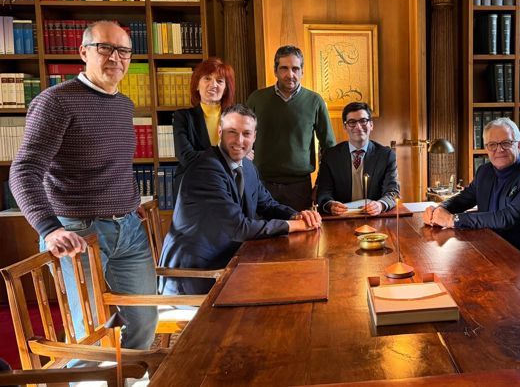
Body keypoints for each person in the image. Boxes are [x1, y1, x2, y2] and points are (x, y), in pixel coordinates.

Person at [9, 20, 157, 350]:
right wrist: (49, 229)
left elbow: (118, 164)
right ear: (83, 52)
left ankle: (130, 376)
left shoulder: (124, 104)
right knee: (90, 334)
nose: (115, 57)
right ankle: (86, 376)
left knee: (145, 321)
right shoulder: (55, 102)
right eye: (105, 48)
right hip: (77, 233)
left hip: (129, 231)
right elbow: (24, 171)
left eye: (123, 51)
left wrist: (130, 202)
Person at [159, 104, 322, 295]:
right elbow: (238, 228)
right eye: (232, 132)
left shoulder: (247, 166)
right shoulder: (205, 169)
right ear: (220, 132)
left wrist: (298, 216)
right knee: (282, 290)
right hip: (195, 276)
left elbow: (267, 204)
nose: (239, 140)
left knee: (296, 283)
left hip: (229, 263)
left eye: (246, 133)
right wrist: (294, 225)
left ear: (254, 136)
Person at [423, 117, 520, 253]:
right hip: (493, 247)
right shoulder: (484, 171)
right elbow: (464, 199)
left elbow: (508, 217)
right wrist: (439, 209)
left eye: (506, 143)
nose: (499, 150)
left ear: (519, 145)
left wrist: (452, 220)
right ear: (486, 148)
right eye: (492, 144)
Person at [246, 45, 336, 212]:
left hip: (299, 188)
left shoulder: (315, 101)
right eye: (284, 68)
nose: (290, 74)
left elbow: (329, 147)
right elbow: (244, 139)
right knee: (261, 229)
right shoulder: (256, 99)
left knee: (299, 229)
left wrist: (320, 185)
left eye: (295, 69)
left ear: (302, 71)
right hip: (261, 184)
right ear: (275, 71)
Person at [315, 102, 399, 215]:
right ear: (345, 127)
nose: (358, 127)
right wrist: (330, 205)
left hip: (375, 216)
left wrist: (381, 205)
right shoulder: (330, 156)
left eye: (363, 121)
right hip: (341, 217)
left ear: (371, 125)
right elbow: (323, 191)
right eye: (352, 122)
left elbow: (393, 191)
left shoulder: (386, 155)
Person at [172, 57, 237, 190]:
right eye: (207, 78)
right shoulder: (183, 117)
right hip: (193, 183)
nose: (213, 84)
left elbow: (244, 153)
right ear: (197, 85)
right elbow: (186, 157)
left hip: (229, 182)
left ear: (225, 89)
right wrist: (227, 155)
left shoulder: (236, 117)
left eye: (219, 81)